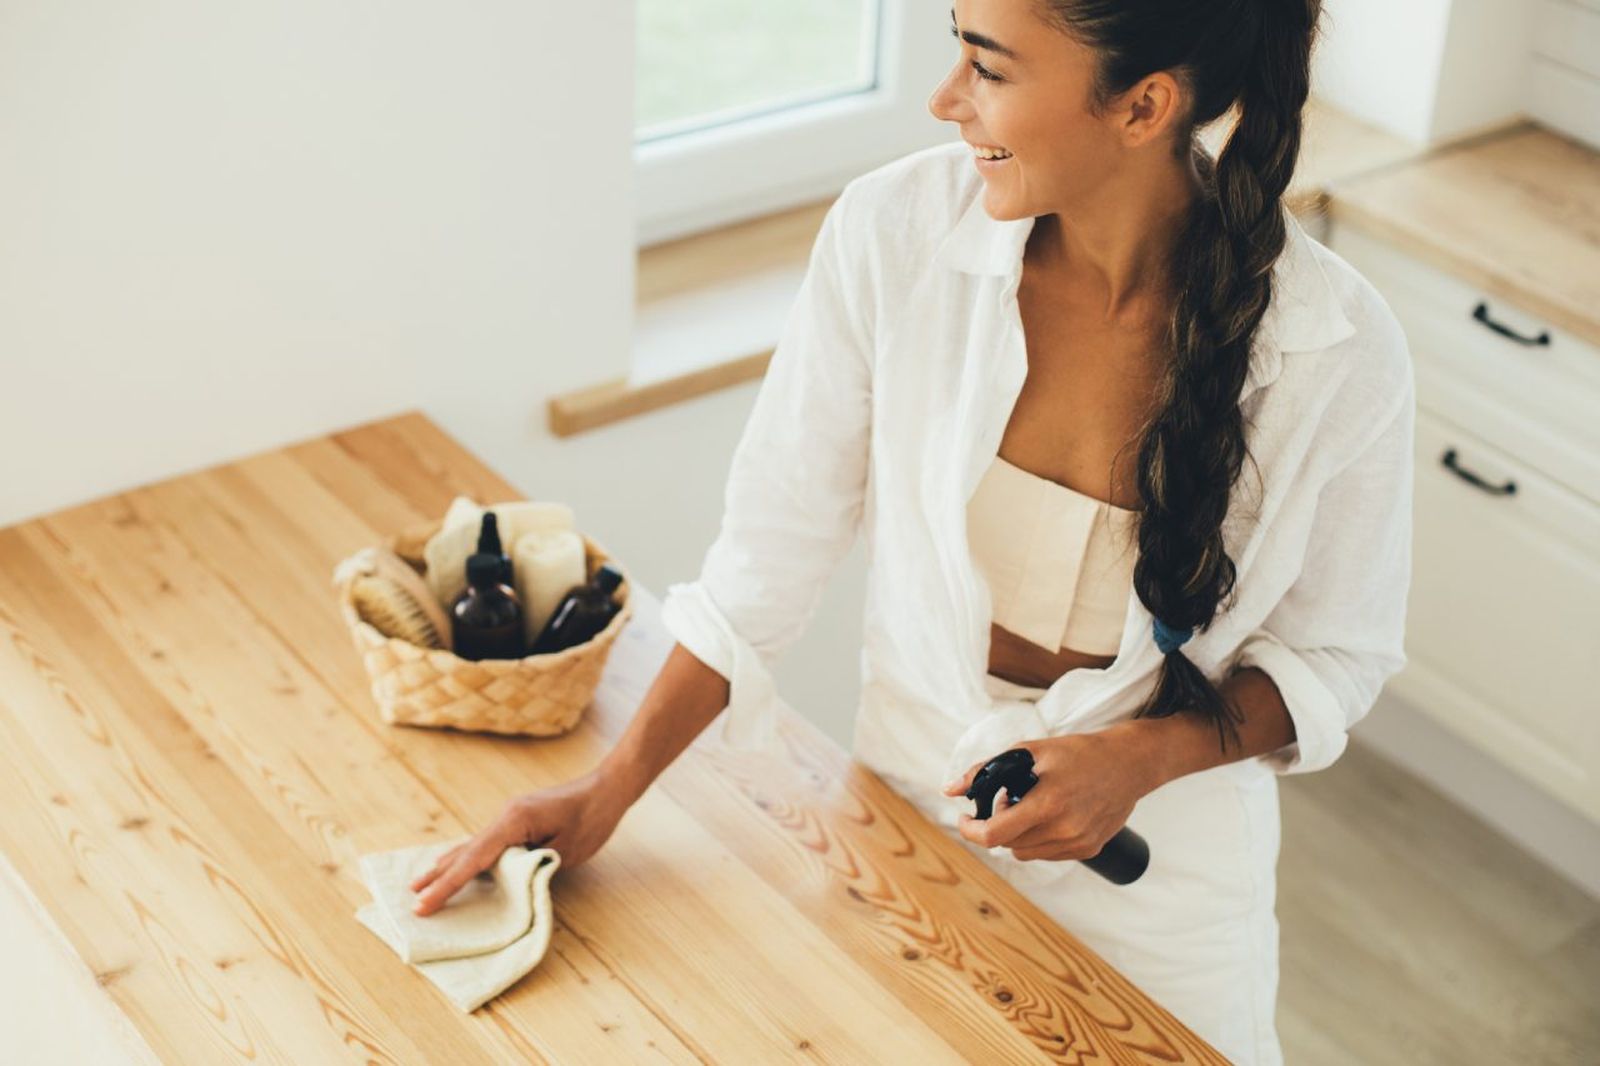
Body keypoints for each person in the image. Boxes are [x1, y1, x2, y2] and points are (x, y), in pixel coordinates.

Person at [408, 2, 1414, 1061]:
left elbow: (1333, 656)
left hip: (1160, 873)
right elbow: (767, 558)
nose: (943, 99)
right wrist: (604, 795)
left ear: (1143, 104)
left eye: (986, 67)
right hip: (907, 809)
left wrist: (1140, 755)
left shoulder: (1335, 351)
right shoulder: (893, 234)